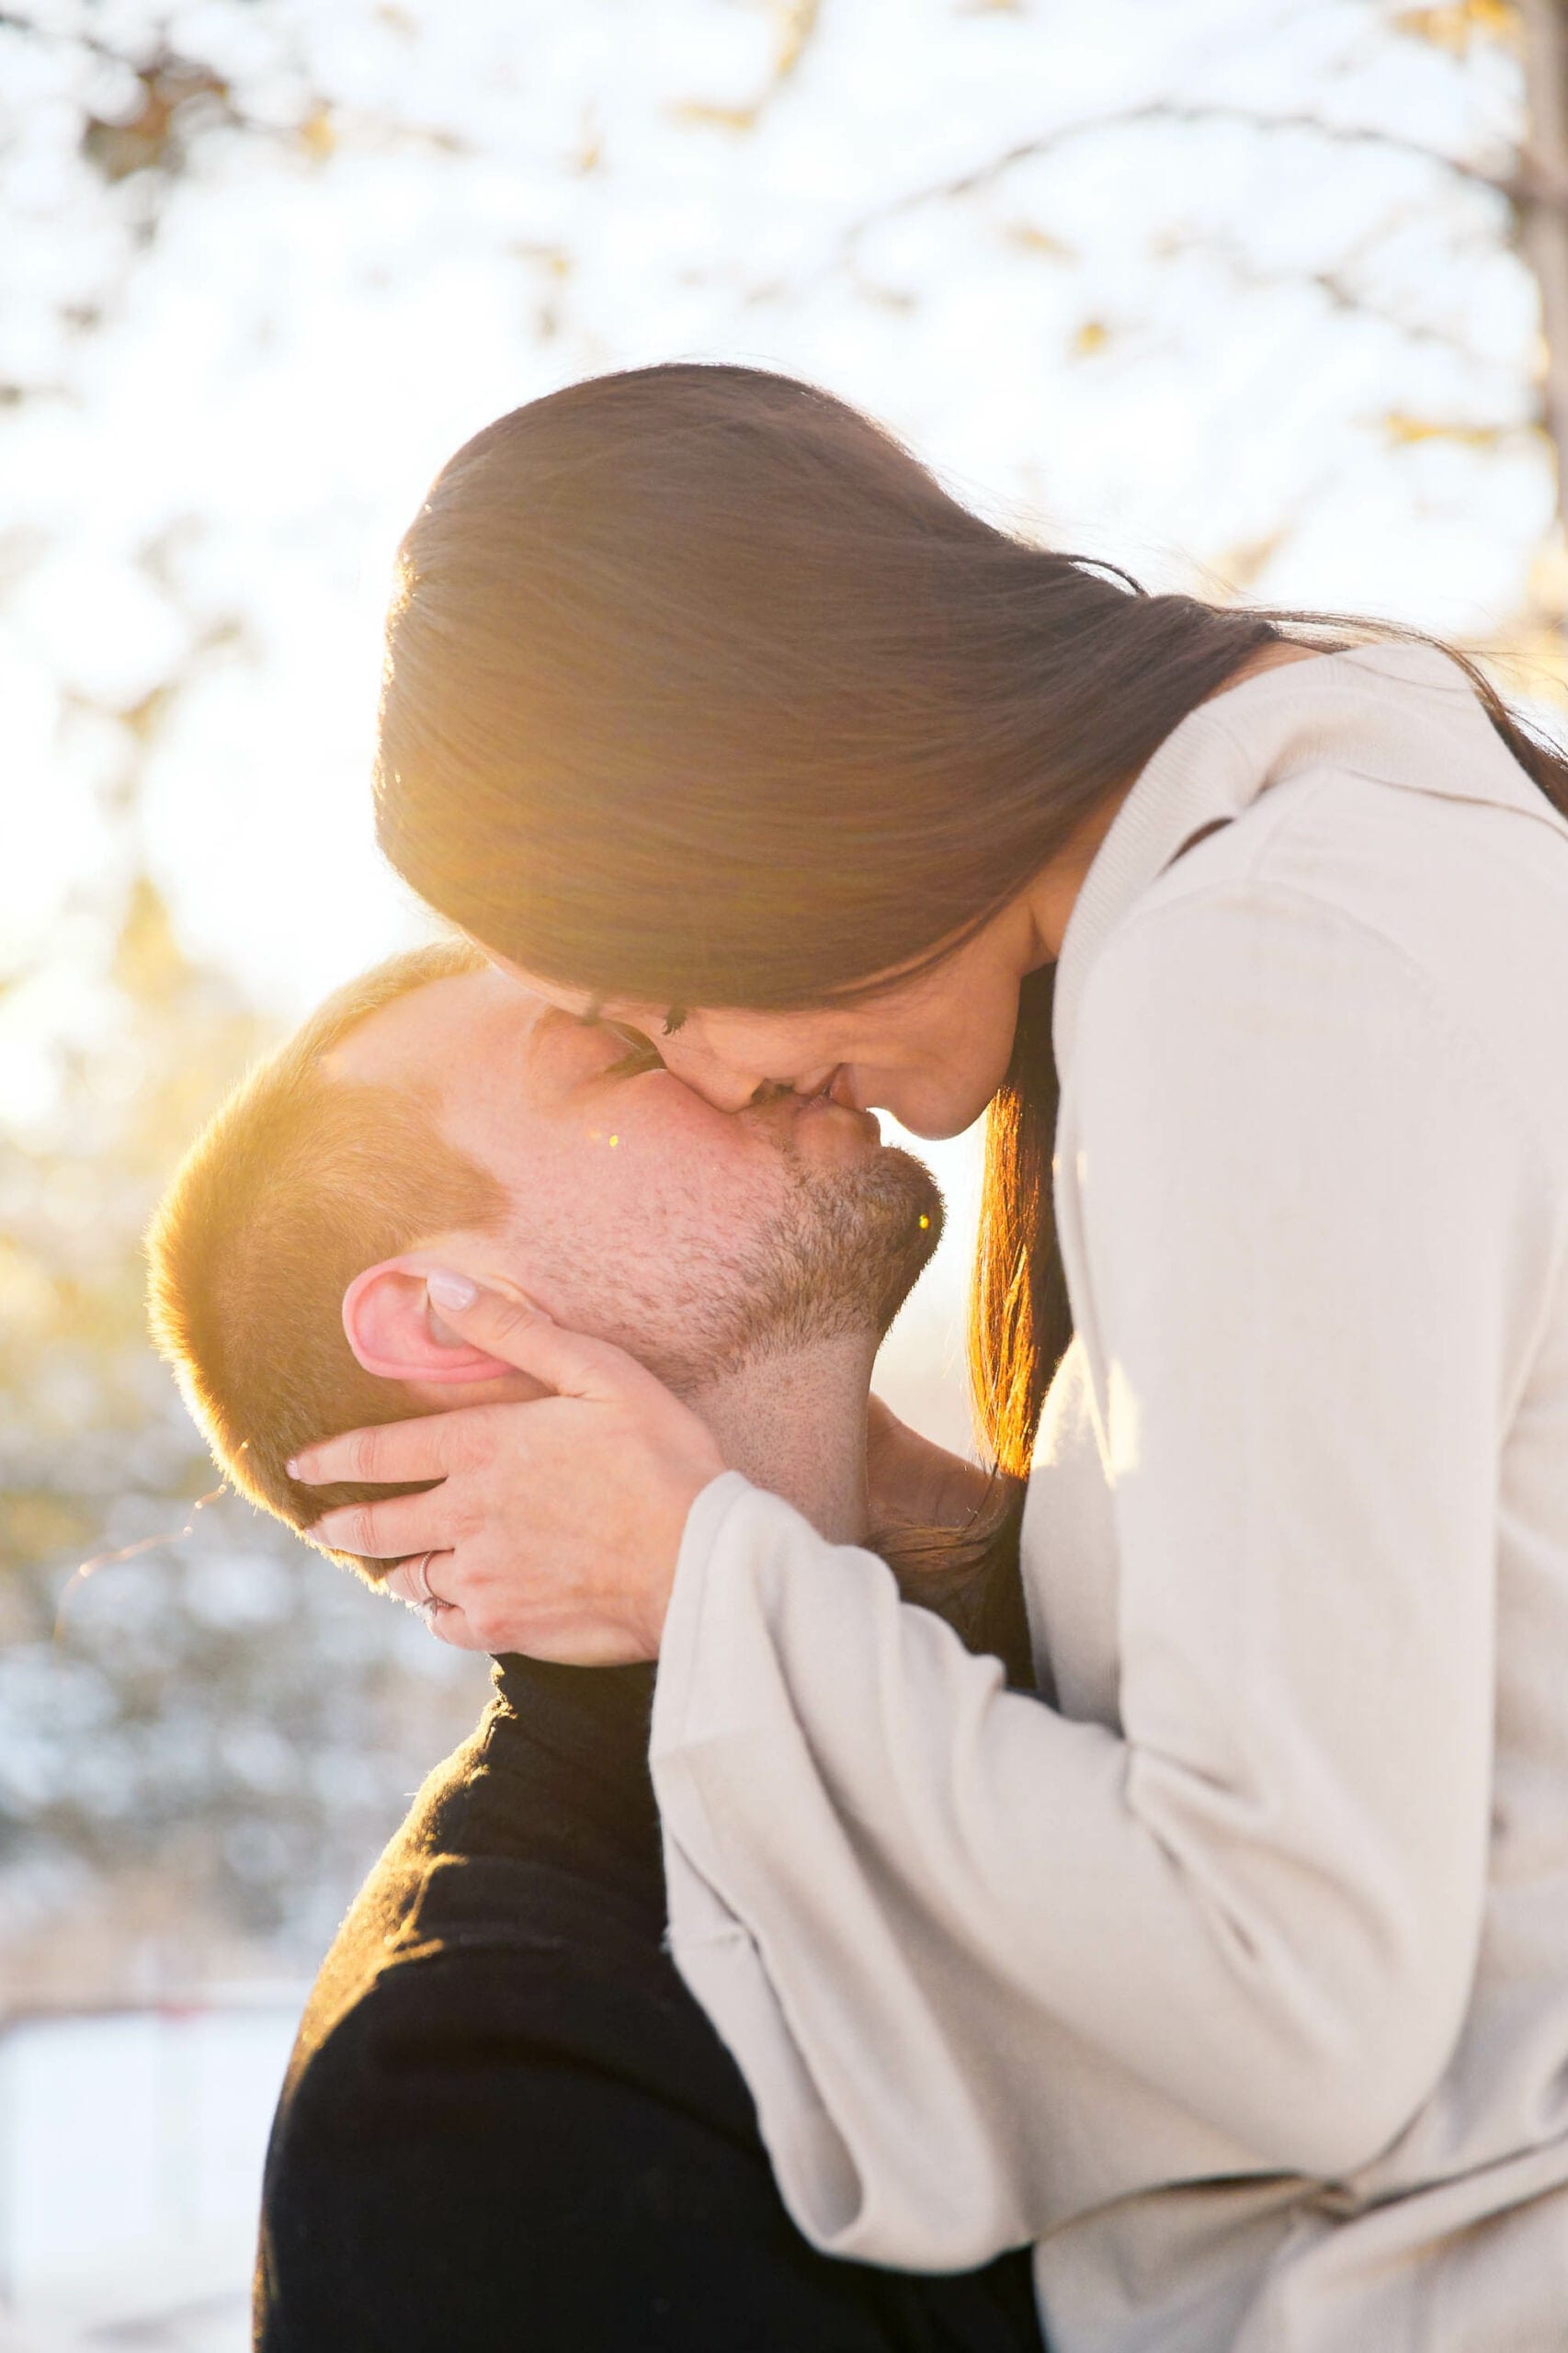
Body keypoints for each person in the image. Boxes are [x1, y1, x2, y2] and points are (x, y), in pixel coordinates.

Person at [291, 364, 1568, 2351]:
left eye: (662, 978)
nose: (718, 1061)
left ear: (760, 767)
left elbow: (1289, 1986)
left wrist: (707, 1575)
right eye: (629, 1038)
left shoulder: (1266, 972)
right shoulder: (1338, 859)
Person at [146, 939, 1043, 2352]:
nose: (733, 1043)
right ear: (445, 1321)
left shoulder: (1088, 1646)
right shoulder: (477, 2077)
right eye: (625, 1054)